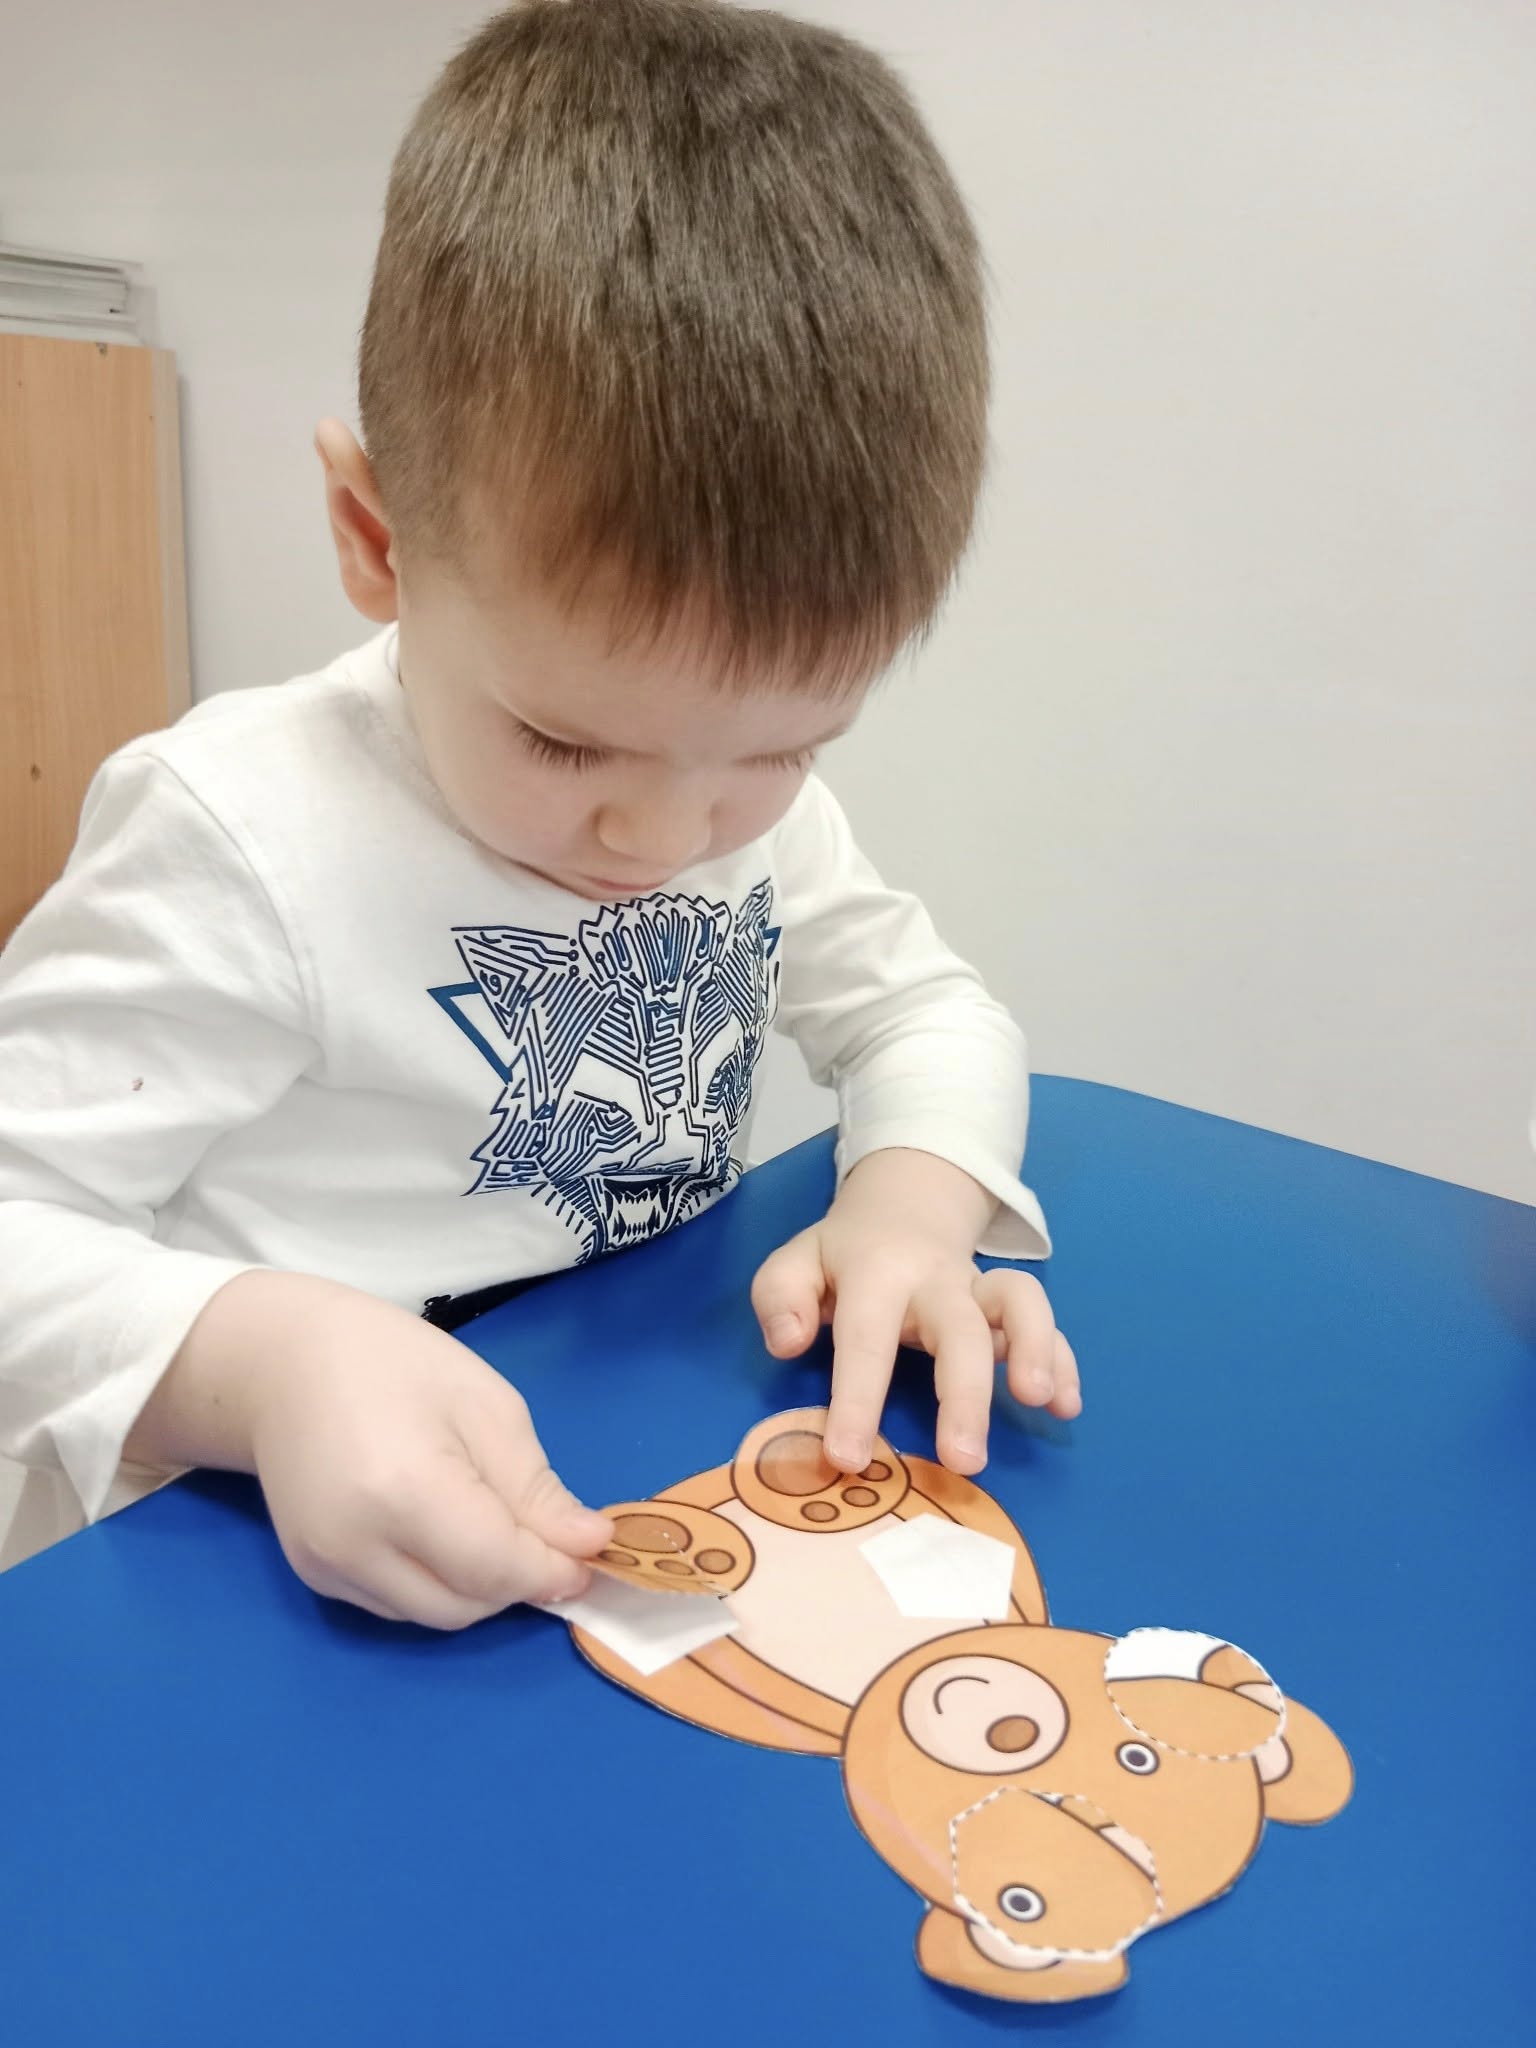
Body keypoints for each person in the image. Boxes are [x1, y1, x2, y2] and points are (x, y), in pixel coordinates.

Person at [0, 0, 1077, 1616]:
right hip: (244, 1563)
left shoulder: (739, 817)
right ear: (377, 540)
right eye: (569, 748)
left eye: (787, 746)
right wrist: (259, 1363)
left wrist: (909, 1212)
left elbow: (927, 1011)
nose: (669, 837)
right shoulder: (237, 837)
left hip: (615, 1469)